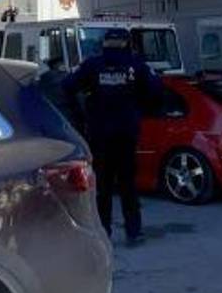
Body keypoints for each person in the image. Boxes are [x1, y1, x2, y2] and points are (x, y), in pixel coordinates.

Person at [63, 28, 162, 245]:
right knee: (128, 185)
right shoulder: (137, 65)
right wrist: (138, 106)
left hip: (100, 134)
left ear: (104, 43)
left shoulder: (92, 65)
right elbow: (156, 90)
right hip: (126, 134)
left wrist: (81, 114)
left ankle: (103, 233)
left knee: (103, 187)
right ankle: (134, 232)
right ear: (127, 43)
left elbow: (67, 86)